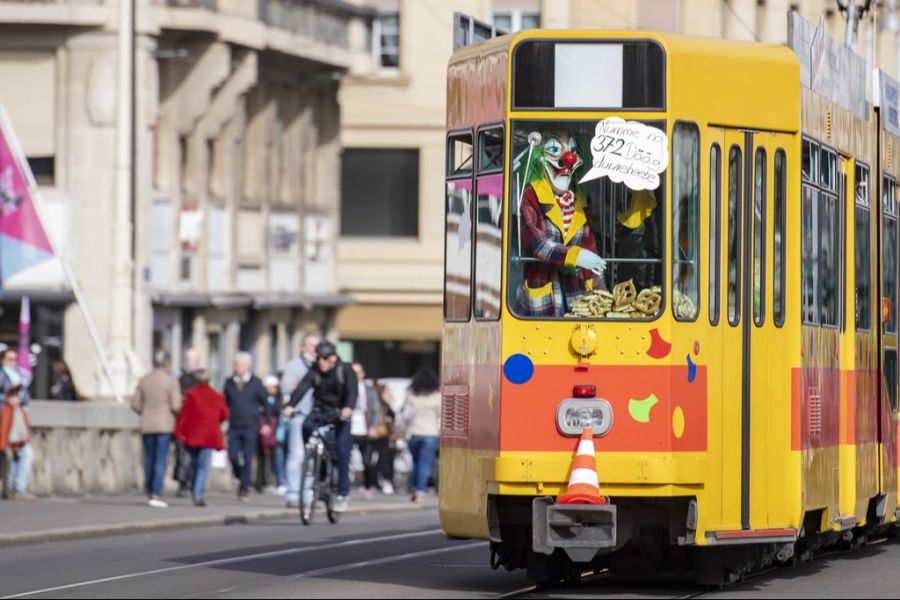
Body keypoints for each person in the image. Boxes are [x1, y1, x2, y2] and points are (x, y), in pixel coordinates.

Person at [515, 129, 605, 316]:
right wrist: (574, 256)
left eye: (572, 148)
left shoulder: (580, 198)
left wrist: (602, 296)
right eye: (554, 148)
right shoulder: (530, 195)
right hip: (544, 297)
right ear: (538, 156)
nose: (569, 157)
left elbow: (590, 247)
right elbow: (537, 243)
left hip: (578, 295)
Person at [284, 340, 357, 513]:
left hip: (340, 412)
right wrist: (290, 405)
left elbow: (352, 390)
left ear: (333, 357)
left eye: (325, 358)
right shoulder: (315, 370)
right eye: (319, 358)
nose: (321, 362)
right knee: (306, 426)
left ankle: (342, 493)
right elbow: (303, 387)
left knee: (341, 451)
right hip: (320, 411)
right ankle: (313, 456)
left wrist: (348, 407)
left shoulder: (344, 369)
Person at [131, 350, 182, 508]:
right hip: (164, 423)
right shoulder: (170, 381)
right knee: (160, 459)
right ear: (167, 364)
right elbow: (176, 405)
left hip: (147, 423)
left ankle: (149, 487)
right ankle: (156, 492)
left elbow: (135, 404)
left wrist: (145, 411)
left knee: (148, 458)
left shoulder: (145, 380)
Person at [173, 369, 228, 506]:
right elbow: (224, 414)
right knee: (203, 466)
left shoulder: (191, 394)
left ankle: (194, 488)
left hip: (193, 434)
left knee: (193, 463)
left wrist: (179, 432)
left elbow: (183, 416)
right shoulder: (217, 396)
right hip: (209, 435)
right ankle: (198, 493)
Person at [223, 352, 271, 502]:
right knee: (232, 455)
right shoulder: (229, 382)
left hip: (251, 425)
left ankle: (244, 488)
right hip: (234, 425)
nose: (238, 368)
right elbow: (224, 403)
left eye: (241, 365)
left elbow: (266, 403)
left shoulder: (256, 382)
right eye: (236, 364)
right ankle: (239, 474)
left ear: (248, 366)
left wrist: (267, 423)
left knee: (248, 457)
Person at [280, 332, 320, 508]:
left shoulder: (322, 366)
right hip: (300, 414)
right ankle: (293, 493)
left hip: (318, 415)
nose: (313, 350)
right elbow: (286, 387)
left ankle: (309, 494)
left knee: (314, 457)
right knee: (296, 455)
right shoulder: (294, 365)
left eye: (316, 346)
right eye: (310, 345)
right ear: (304, 347)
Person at [0, 349, 33, 500]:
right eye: (9, 359)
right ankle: (16, 488)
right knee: (18, 452)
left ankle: (16, 487)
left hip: (16, 418)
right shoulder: (2, 375)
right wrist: (7, 400)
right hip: (5, 418)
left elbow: (25, 395)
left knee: (21, 451)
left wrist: (20, 400)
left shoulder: (18, 375)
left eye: (14, 359)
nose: (12, 362)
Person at [405, 368, 441, 503]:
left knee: (415, 462)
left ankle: (415, 488)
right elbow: (441, 416)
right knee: (424, 464)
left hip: (414, 432)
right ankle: (420, 491)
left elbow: (406, 416)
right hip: (430, 433)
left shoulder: (412, 395)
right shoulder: (437, 396)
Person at [174, 347, 203, 497]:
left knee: (194, 454)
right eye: (188, 360)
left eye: (192, 360)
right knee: (182, 453)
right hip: (183, 420)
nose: (189, 363)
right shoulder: (179, 377)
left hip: (196, 421)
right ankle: (183, 482)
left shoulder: (200, 379)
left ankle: (191, 481)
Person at [350, 362, 380, 499]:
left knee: (367, 460)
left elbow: (376, 409)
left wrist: (373, 426)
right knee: (344, 459)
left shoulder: (368, 390)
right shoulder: (345, 388)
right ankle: (343, 489)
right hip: (349, 428)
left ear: (362, 374)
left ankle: (368, 486)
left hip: (364, 428)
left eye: (357, 373)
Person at [255, 375, 284, 493]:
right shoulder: (265, 399)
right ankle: (264, 481)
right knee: (265, 457)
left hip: (274, 432)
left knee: (274, 457)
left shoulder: (276, 399)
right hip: (267, 431)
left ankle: (272, 480)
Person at [369, 381, 396, 495]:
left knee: (375, 459)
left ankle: (374, 483)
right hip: (382, 434)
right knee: (384, 460)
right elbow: (390, 421)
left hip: (378, 434)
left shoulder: (382, 405)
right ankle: (385, 481)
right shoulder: (384, 406)